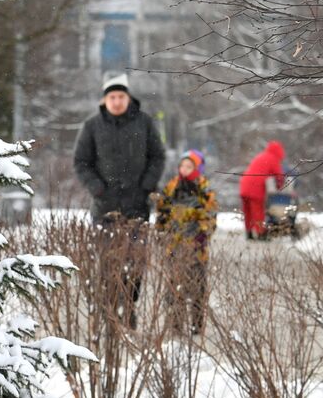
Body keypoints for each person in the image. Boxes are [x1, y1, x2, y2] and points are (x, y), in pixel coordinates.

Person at [74, 73, 167, 328]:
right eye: (112, 97)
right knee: (108, 262)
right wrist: (97, 188)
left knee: (136, 263)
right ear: (105, 100)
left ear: (128, 98)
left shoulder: (144, 123)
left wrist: (147, 185)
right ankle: (110, 309)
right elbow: (81, 162)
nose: (117, 101)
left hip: (137, 206)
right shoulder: (92, 126)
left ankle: (130, 306)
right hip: (105, 206)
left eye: (121, 96)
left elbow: (158, 156)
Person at [155, 150, 218, 335]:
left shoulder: (204, 188)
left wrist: (202, 234)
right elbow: (162, 211)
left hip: (196, 247)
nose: (184, 170)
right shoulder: (172, 186)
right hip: (174, 245)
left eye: (189, 166)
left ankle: (196, 325)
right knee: (174, 287)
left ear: (198, 168)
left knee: (197, 286)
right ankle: (175, 325)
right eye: (182, 166)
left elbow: (211, 215)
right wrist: (161, 231)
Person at [238, 140, 286, 239]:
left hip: (244, 184)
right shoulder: (273, 158)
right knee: (257, 211)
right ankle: (261, 234)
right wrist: (280, 187)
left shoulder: (262, 156)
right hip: (255, 186)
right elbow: (279, 176)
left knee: (248, 211)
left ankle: (249, 233)